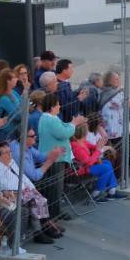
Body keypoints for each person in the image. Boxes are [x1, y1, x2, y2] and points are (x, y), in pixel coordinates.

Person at [0, 141, 58, 243]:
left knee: (39, 198)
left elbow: (23, 177)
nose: (9, 155)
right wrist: (26, 190)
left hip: (23, 192)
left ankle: (41, 230)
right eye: (6, 153)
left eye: (10, 152)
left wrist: (33, 188)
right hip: (11, 195)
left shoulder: (11, 162)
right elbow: (4, 185)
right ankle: (42, 228)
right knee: (36, 200)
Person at [36, 92, 85, 221]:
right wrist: (74, 124)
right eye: (57, 104)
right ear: (51, 107)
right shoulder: (49, 119)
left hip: (55, 157)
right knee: (54, 189)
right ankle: (53, 214)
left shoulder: (50, 118)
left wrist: (72, 123)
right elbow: (63, 133)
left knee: (57, 188)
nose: (59, 106)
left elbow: (63, 127)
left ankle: (55, 211)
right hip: (54, 159)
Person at [72, 124, 122, 201]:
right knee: (106, 168)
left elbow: (94, 147)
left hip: (89, 166)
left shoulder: (83, 141)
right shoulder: (76, 146)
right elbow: (88, 162)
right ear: (84, 133)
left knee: (107, 163)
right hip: (84, 169)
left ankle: (112, 191)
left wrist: (102, 144)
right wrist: (98, 149)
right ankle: (96, 194)